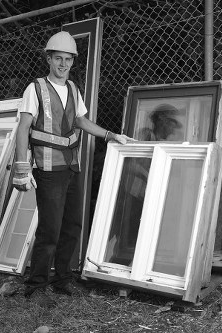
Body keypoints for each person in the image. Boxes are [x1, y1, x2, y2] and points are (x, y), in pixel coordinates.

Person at [12, 30, 134, 303]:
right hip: (47, 169)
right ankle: (36, 286)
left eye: (68, 59)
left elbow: (81, 121)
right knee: (50, 229)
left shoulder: (73, 89)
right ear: (49, 59)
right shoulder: (36, 89)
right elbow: (23, 129)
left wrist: (111, 135)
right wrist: (22, 167)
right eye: (58, 58)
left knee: (71, 226)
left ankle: (62, 279)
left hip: (71, 166)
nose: (63, 64)